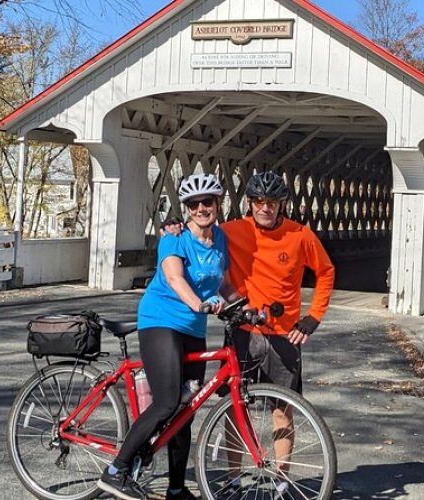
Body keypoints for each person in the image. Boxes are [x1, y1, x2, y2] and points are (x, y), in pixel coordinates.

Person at [165, 171, 334, 497]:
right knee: (232, 408)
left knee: (282, 410)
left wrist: (313, 318)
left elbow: (326, 271)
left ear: (281, 204)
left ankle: (282, 480)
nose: (265, 208)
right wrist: (173, 225)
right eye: (258, 201)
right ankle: (232, 478)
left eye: (271, 202)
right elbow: (198, 229)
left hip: (284, 334)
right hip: (243, 331)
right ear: (249, 203)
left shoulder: (300, 235)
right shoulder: (232, 231)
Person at [98, 173, 235, 500]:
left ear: (218, 204)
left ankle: (176, 489)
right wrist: (200, 304)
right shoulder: (174, 238)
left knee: (184, 411)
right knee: (167, 401)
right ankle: (115, 471)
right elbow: (174, 278)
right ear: (187, 209)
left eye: (208, 202)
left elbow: (224, 284)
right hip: (161, 321)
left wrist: (241, 306)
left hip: (193, 329)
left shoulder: (220, 239)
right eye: (194, 204)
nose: (202, 208)